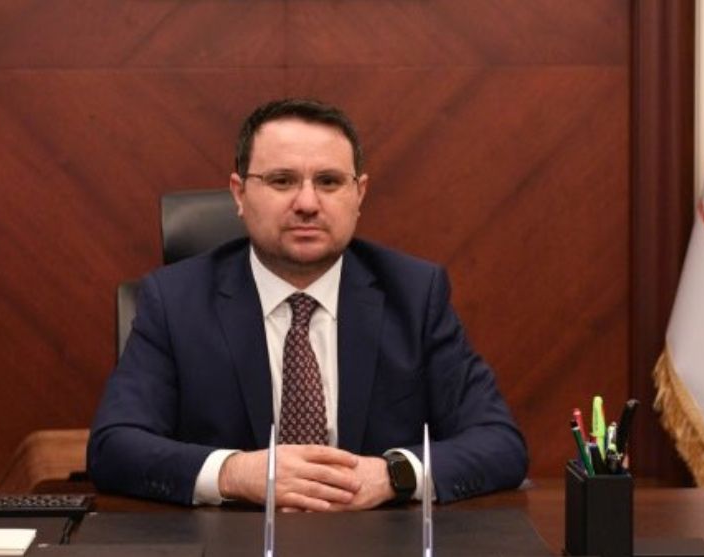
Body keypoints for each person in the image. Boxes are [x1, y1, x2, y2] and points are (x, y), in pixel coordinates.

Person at [87, 98, 527, 511]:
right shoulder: (174, 300)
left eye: (329, 182)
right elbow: (114, 447)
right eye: (282, 181)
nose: (307, 204)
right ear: (239, 193)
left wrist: (393, 475)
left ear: (359, 193)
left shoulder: (414, 294)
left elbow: (499, 442)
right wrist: (234, 473)